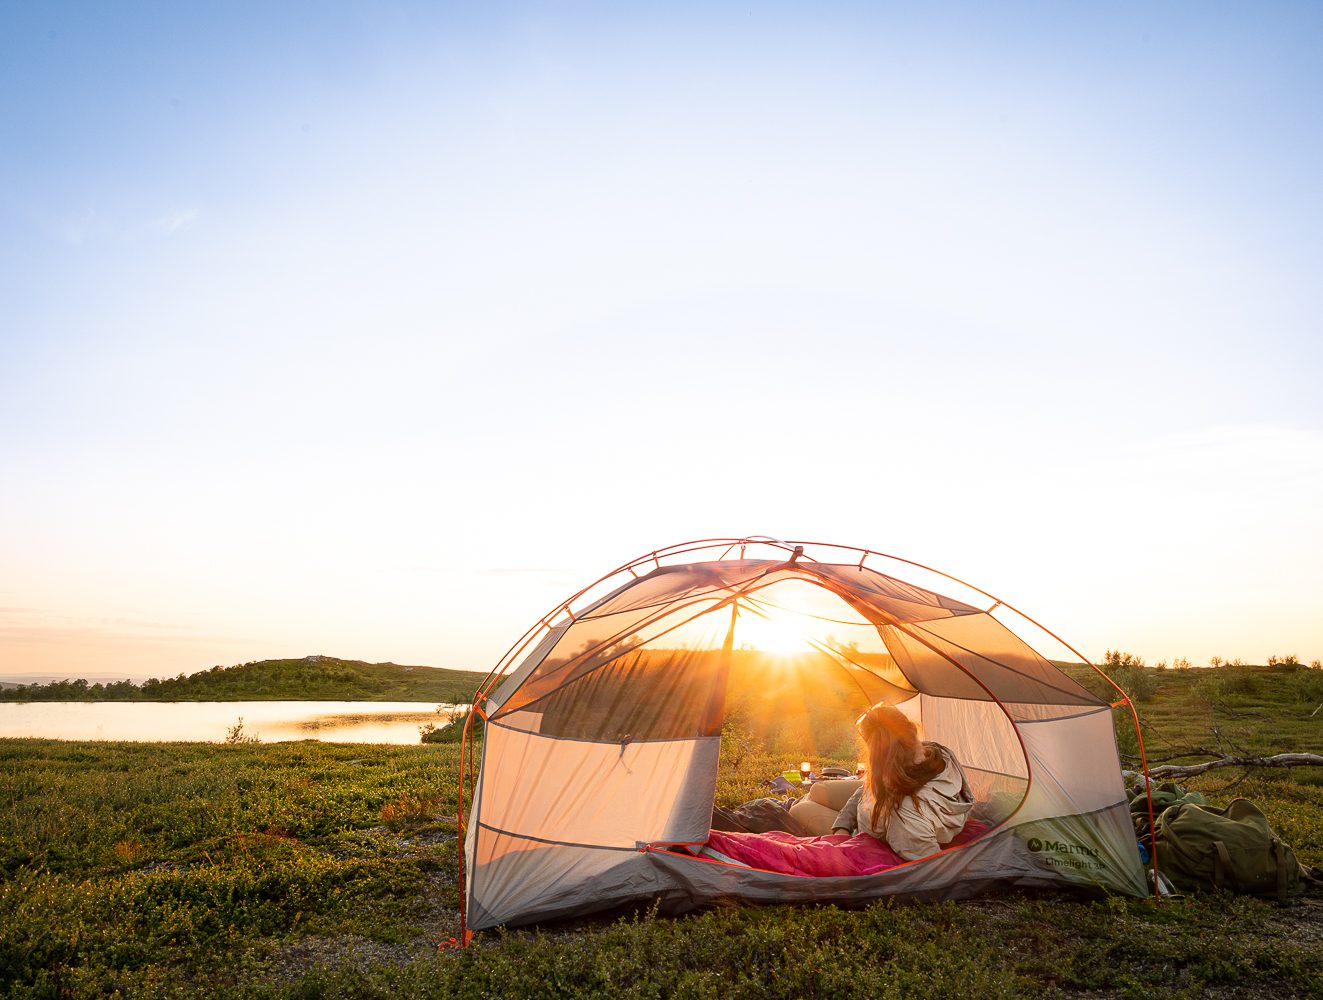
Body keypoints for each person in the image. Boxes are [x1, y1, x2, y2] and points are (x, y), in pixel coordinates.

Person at [829, 704, 974, 860]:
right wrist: (842, 826)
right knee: (818, 791)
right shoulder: (939, 753)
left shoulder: (905, 813)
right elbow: (867, 788)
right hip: (861, 818)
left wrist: (845, 841)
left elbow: (933, 868)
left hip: (863, 840)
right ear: (912, 729)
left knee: (805, 810)